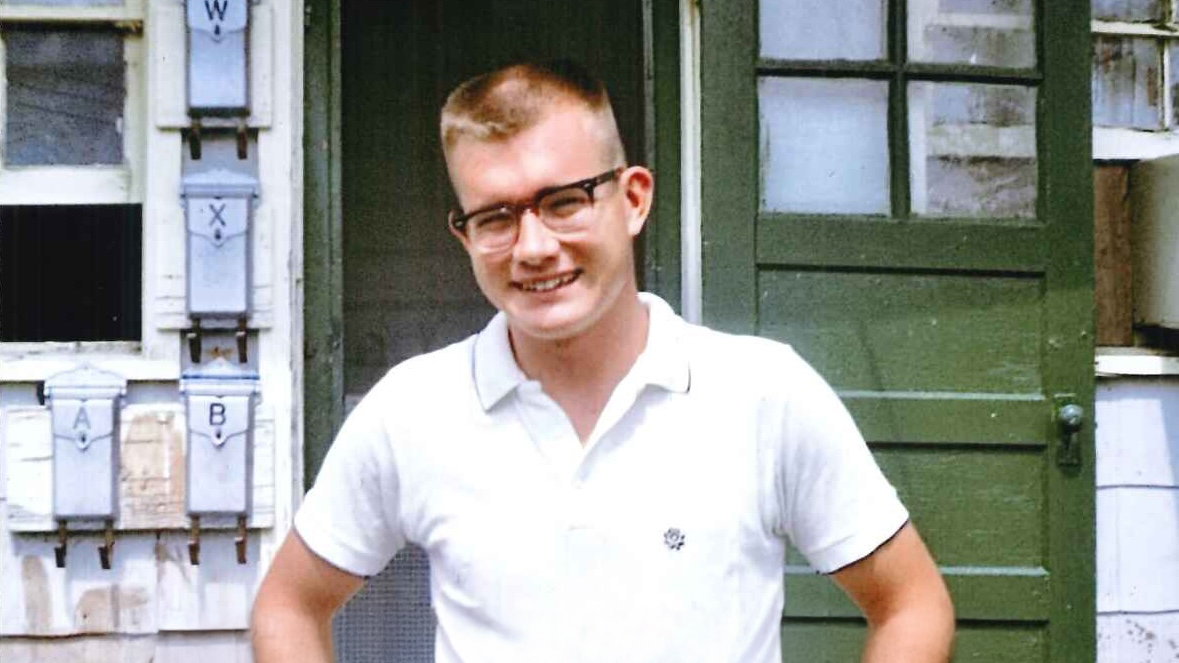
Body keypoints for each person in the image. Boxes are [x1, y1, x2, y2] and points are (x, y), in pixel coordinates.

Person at [252, 59, 955, 663]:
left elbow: (911, 603)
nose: (531, 246)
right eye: (495, 217)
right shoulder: (413, 410)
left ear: (634, 198)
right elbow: (287, 607)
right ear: (463, 235)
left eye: (563, 202)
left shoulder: (762, 392)